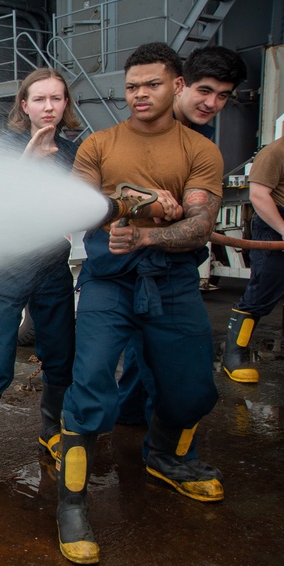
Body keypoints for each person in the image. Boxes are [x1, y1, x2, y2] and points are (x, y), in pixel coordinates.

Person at [57, 42, 224, 565]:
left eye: (151, 84)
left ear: (176, 85)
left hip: (172, 282)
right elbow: (76, 208)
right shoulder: (98, 145)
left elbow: (200, 226)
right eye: (132, 87)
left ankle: (167, 460)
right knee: (91, 387)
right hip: (109, 282)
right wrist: (134, 199)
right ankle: (72, 502)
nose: (140, 95)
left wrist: (150, 236)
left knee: (192, 388)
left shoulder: (200, 150)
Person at [0, 68, 79, 497]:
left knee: (60, 354)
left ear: (65, 104)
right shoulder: (3, 148)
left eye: (57, 98)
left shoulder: (72, 152)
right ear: (24, 105)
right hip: (9, 267)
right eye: (40, 99)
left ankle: (50, 431)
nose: (49, 106)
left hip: (52, 265)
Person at [117, 45, 247, 420]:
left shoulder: (199, 140)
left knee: (154, 360)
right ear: (179, 85)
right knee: (172, 361)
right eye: (204, 91)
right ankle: (157, 441)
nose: (212, 103)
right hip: (138, 265)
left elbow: (197, 217)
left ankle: (133, 423)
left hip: (174, 263)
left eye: (223, 96)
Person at [222, 126, 284, 383]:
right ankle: (233, 356)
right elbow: (259, 196)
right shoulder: (275, 152)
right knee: (262, 292)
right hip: (276, 224)